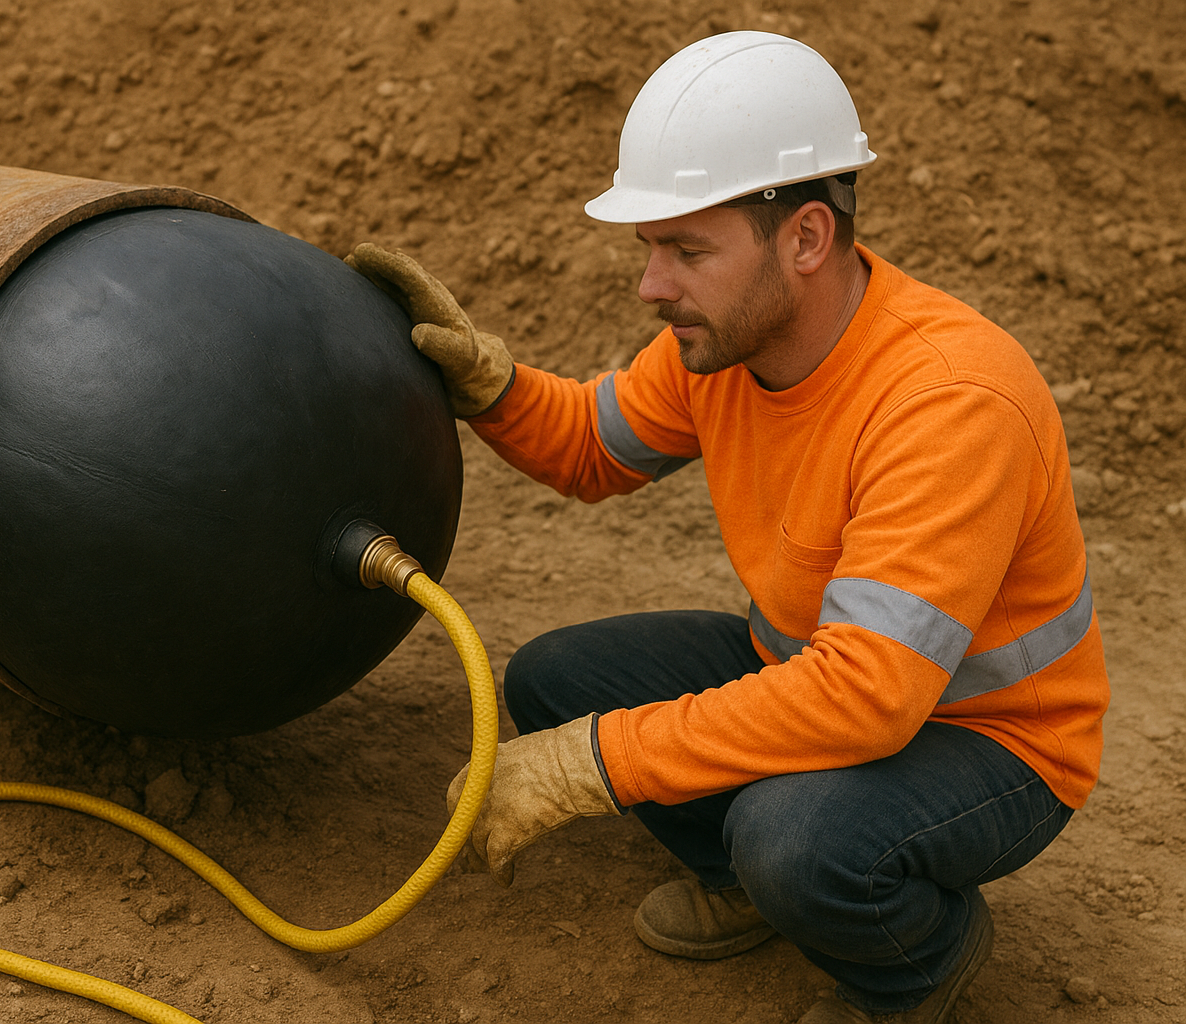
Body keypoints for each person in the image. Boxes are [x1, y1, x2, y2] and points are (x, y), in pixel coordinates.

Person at [344, 30, 1108, 1024]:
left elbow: (867, 699)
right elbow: (593, 446)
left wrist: (589, 765)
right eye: (650, 249)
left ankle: (917, 962)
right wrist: (492, 385)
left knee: (793, 838)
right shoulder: (727, 344)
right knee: (553, 680)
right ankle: (749, 882)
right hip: (825, 676)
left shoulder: (949, 401)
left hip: (991, 741)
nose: (652, 286)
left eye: (687, 251)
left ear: (806, 240)